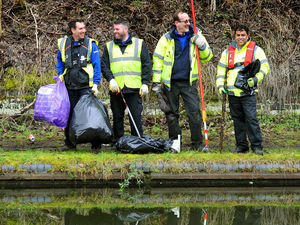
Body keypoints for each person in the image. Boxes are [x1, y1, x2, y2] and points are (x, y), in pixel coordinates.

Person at [152, 11, 213, 150]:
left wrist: (202, 45)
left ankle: (197, 144)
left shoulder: (196, 36)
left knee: (194, 113)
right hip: (170, 83)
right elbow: (157, 61)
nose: (188, 24)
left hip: (189, 83)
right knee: (172, 114)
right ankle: (175, 144)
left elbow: (207, 57)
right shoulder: (166, 39)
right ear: (176, 23)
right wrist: (156, 82)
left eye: (189, 21)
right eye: (184, 21)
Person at [216, 24, 270, 155]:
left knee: (251, 118)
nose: (240, 37)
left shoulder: (256, 50)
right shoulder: (228, 51)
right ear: (234, 36)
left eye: (243, 35)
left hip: (247, 91)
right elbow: (221, 69)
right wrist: (219, 85)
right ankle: (241, 146)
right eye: (238, 35)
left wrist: (255, 80)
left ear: (247, 36)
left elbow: (265, 67)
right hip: (232, 92)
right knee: (237, 120)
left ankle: (257, 146)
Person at [101, 19, 151, 141]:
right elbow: (104, 65)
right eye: (114, 29)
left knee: (135, 116)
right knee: (117, 117)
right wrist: (111, 79)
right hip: (116, 88)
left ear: (126, 29)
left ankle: (137, 140)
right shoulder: (109, 46)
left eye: (117, 29)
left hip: (134, 88)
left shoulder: (139, 44)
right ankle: (118, 141)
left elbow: (146, 65)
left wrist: (145, 83)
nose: (114, 31)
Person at [56, 19, 101, 149]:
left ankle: (95, 144)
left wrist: (96, 84)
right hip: (70, 85)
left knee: (90, 114)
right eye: (80, 29)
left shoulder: (91, 44)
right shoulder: (64, 43)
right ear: (73, 30)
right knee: (69, 114)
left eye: (84, 28)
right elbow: (60, 60)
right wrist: (60, 73)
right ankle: (70, 143)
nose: (84, 31)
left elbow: (96, 64)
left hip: (86, 86)